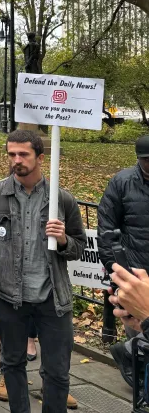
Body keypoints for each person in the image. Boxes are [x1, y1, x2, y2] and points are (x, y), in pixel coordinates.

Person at [0, 129, 87, 413]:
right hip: (9, 296)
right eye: (11, 154)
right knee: (12, 364)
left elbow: (79, 247)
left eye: (23, 154)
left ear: (40, 157)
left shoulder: (61, 199)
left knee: (58, 371)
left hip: (52, 298)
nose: (16, 160)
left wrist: (63, 240)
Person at [99, 134, 149, 336]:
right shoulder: (122, 182)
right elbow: (107, 232)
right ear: (139, 159)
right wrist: (118, 273)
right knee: (139, 341)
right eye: (147, 160)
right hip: (134, 275)